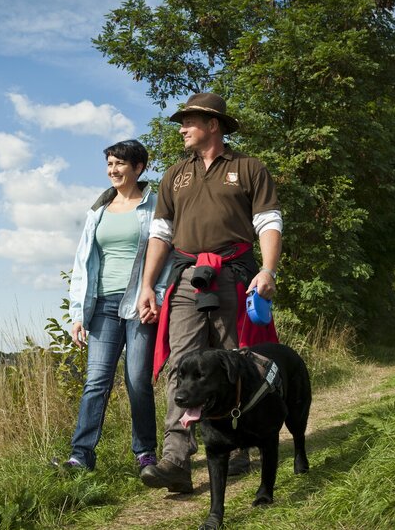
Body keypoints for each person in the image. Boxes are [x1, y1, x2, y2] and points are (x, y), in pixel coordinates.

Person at [135, 92, 282, 493]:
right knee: (181, 363)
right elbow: (161, 233)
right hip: (186, 278)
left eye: (189, 121)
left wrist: (267, 270)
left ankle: (238, 447)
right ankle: (176, 460)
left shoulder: (249, 168)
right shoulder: (174, 175)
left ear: (212, 125)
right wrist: (148, 285)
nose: (182, 128)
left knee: (234, 361)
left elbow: (269, 221)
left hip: (234, 274)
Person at [59, 139, 169, 472]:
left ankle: (145, 452)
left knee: (137, 380)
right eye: (109, 164)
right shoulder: (98, 211)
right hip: (103, 305)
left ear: (139, 167)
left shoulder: (155, 206)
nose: (113, 170)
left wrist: (157, 295)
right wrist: (78, 314)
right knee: (96, 381)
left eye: (120, 163)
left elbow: (167, 255)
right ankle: (81, 455)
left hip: (140, 303)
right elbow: (82, 263)